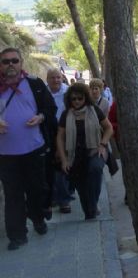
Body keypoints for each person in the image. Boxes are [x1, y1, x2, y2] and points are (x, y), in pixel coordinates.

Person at [0, 48, 57, 250]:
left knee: (36, 189)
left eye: (14, 60)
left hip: (34, 149)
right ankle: (17, 235)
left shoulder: (35, 84)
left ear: (21, 63)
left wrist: (40, 117)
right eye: (5, 61)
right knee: (12, 194)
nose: (10, 65)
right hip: (6, 155)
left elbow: (50, 109)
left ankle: (38, 219)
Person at [55, 82, 112, 220]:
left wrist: (103, 145)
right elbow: (60, 138)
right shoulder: (66, 115)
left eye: (80, 98)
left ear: (85, 98)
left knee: (95, 170)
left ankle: (94, 203)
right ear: (69, 99)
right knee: (82, 188)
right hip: (75, 155)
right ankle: (90, 210)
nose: (77, 101)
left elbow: (109, 128)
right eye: (73, 99)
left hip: (95, 151)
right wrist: (64, 160)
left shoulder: (94, 110)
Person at [47, 68, 74, 214]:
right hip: (47, 132)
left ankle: (64, 199)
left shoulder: (68, 92)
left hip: (65, 131)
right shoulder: (43, 92)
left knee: (61, 164)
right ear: (47, 79)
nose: (55, 80)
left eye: (58, 77)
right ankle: (55, 196)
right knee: (51, 165)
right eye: (52, 77)